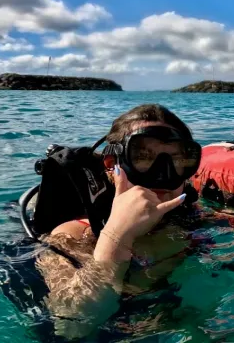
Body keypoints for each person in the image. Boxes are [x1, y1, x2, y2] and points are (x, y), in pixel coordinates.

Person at [35, 104, 203, 338]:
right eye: (143, 156)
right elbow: (70, 324)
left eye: (177, 158)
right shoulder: (74, 235)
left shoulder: (186, 221)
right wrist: (116, 237)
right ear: (111, 164)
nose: (163, 173)